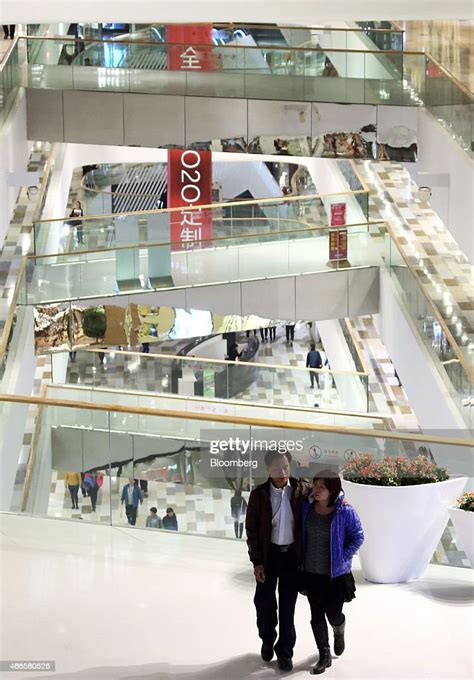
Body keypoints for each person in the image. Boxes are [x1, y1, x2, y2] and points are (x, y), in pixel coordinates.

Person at [246, 450, 309, 672]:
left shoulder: (301, 490)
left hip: (292, 556)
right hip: (268, 555)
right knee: (264, 603)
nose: (282, 472)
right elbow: (252, 530)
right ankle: (267, 638)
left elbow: (325, 496)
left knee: (287, 607)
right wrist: (257, 562)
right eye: (276, 468)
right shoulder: (259, 495)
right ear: (267, 470)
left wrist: (341, 500)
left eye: (285, 467)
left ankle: (285, 652)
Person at [301, 472, 364, 675]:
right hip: (311, 572)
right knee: (316, 615)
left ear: (333, 491)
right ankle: (324, 653)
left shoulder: (345, 511)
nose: (316, 489)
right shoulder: (306, 507)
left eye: (322, 487)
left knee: (333, 613)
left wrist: (343, 557)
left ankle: (339, 628)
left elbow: (358, 537)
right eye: (315, 484)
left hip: (335, 575)